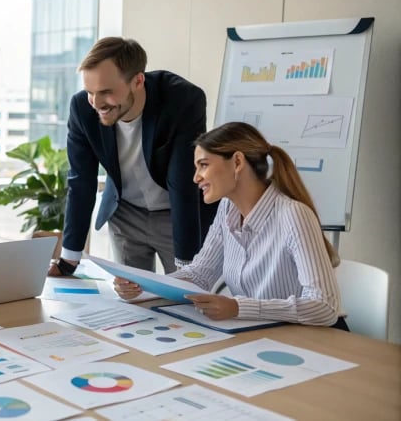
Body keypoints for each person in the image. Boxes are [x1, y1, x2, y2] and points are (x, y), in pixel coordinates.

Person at [114, 122, 346, 328]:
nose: (196, 177)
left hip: (313, 341)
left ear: (237, 162)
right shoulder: (227, 209)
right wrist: (143, 287)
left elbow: (324, 306)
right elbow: (199, 275)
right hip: (260, 335)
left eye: (203, 165)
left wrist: (238, 307)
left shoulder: (293, 215)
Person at [49, 37, 216, 277]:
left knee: (188, 296)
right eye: (90, 92)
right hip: (125, 215)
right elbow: (81, 180)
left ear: (138, 81)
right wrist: (68, 259)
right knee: (131, 301)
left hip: (175, 214)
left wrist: (187, 265)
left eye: (106, 92)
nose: (96, 104)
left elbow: (182, 181)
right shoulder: (82, 108)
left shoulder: (182, 99)